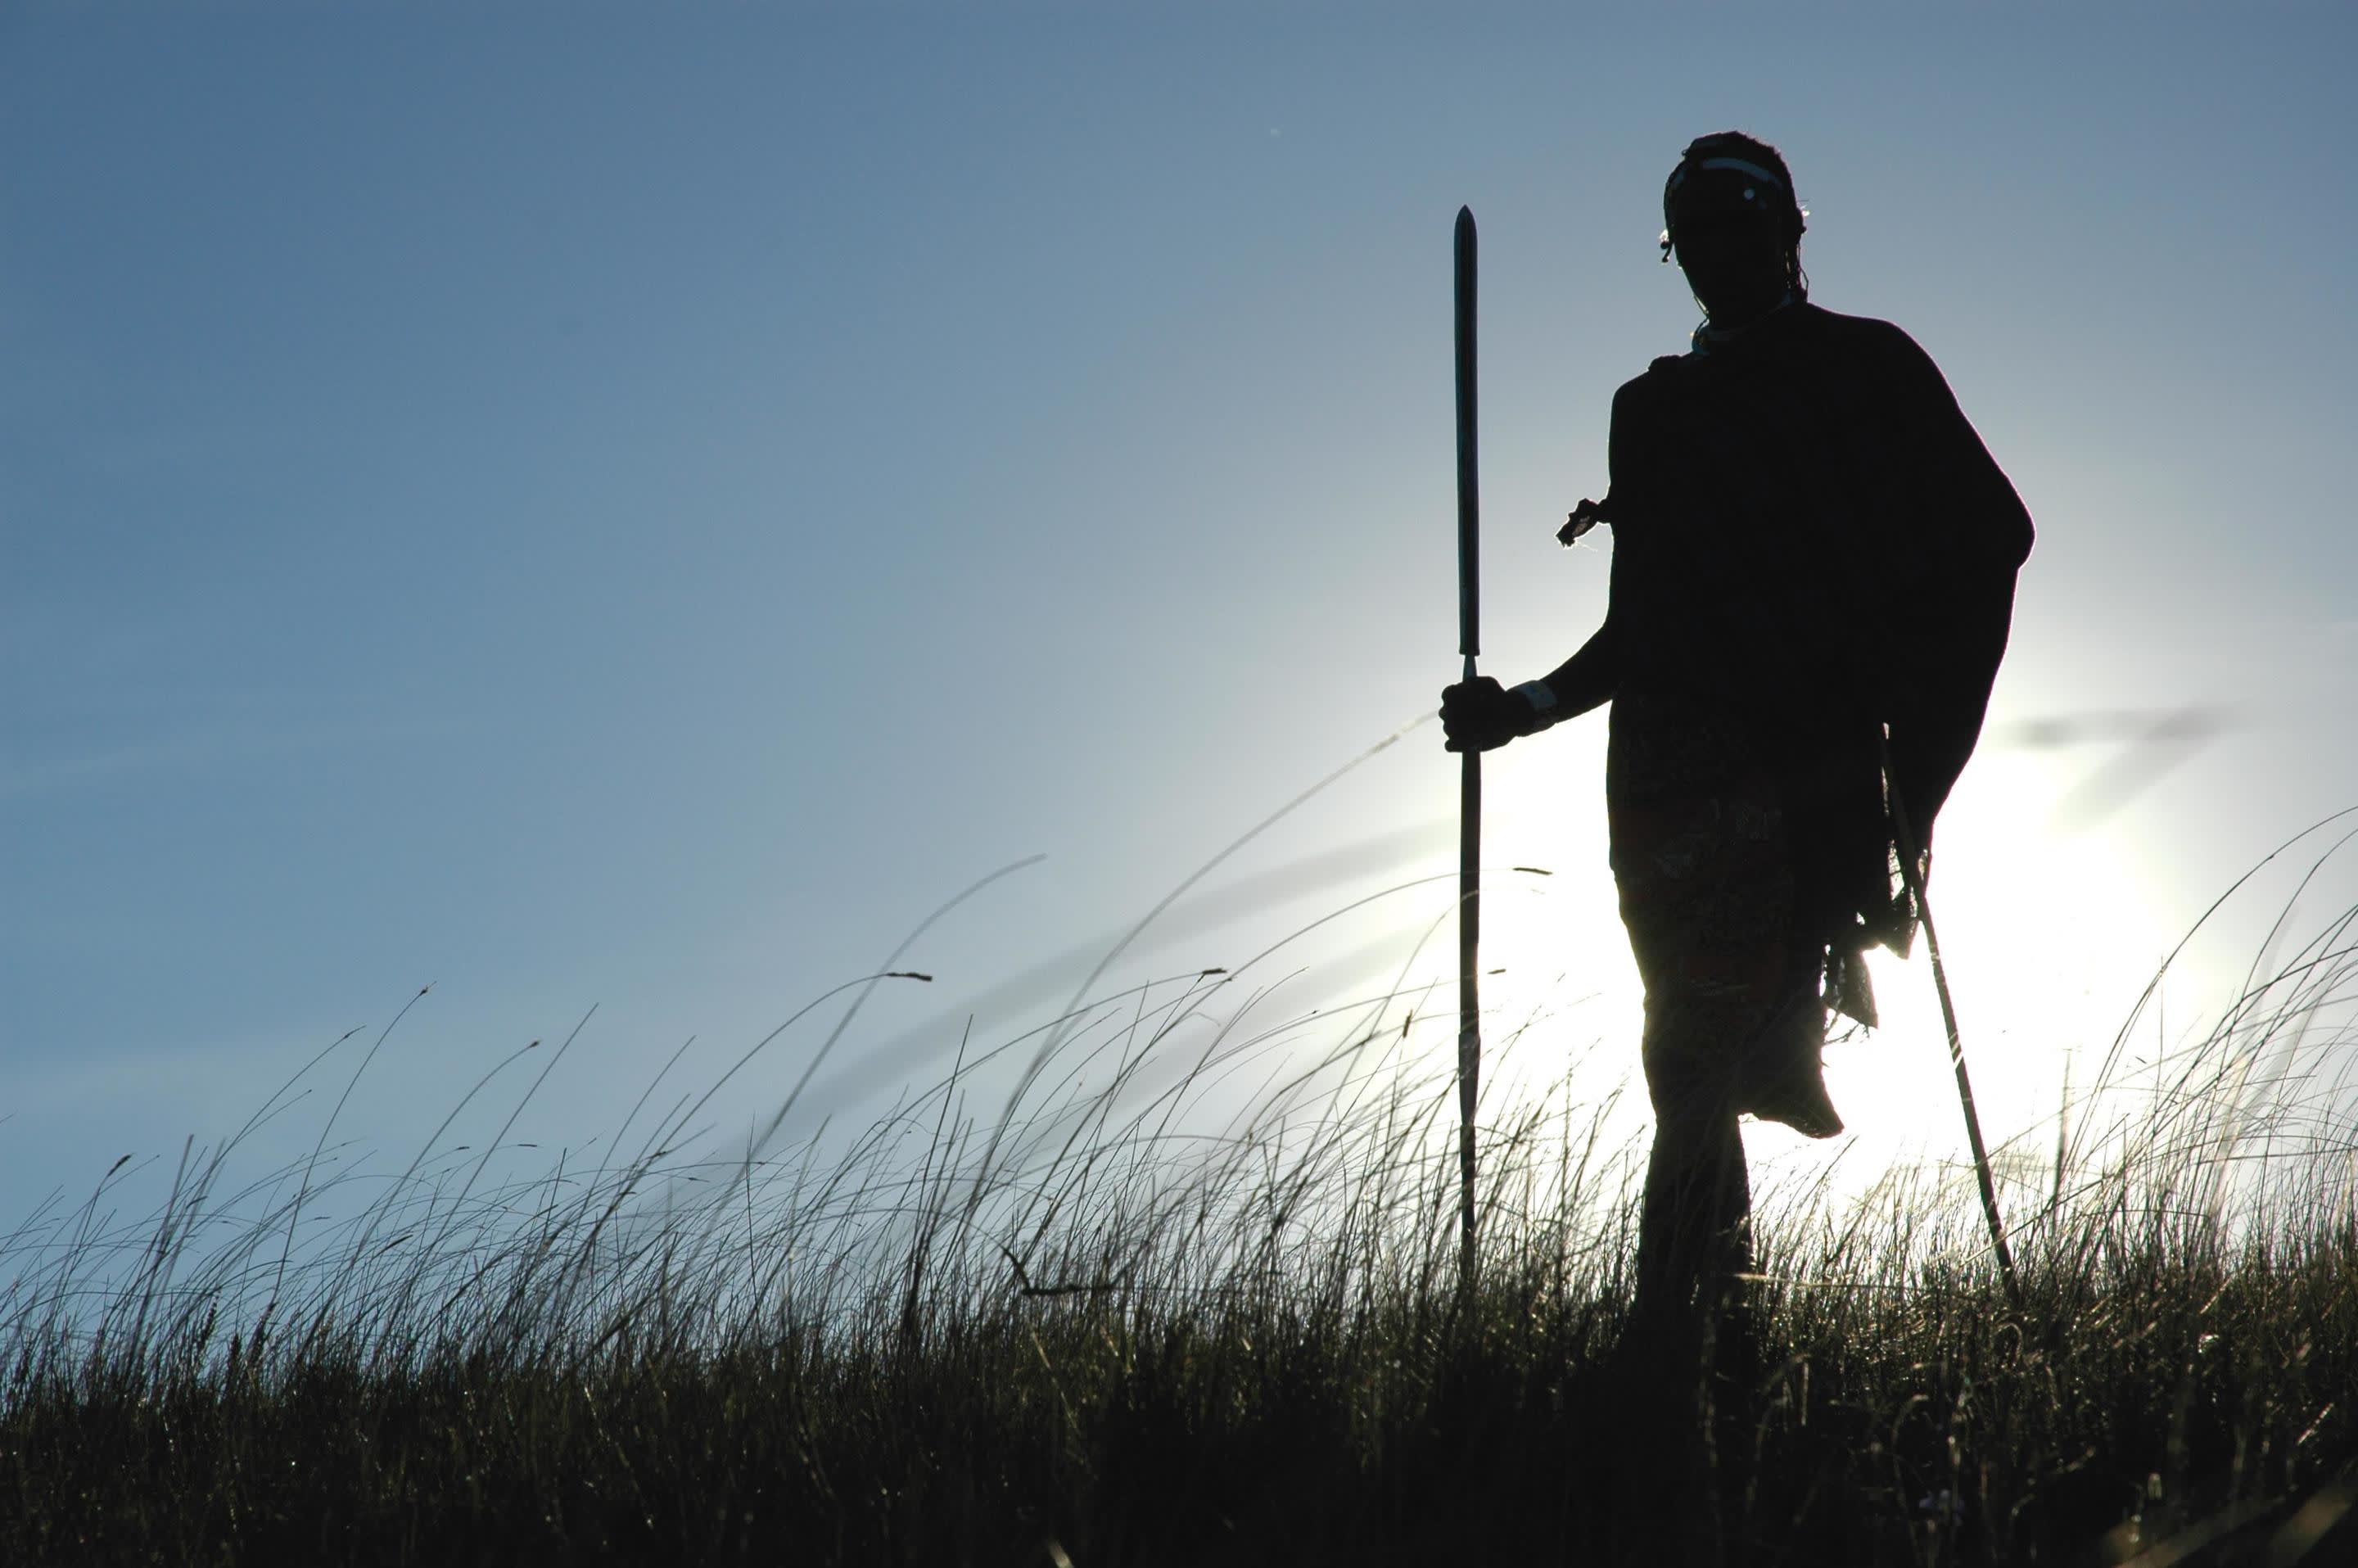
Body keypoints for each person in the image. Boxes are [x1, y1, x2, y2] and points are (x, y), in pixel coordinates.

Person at [1440, 133, 2034, 1349]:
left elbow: (1990, 535)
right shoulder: (1651, 411)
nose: (1719, 249)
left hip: (1797, 752)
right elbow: (1642, 624)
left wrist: (1897, 729)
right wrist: (1528, 710)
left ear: (1791, 230)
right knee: (1684, 1050)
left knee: (1701, 1048)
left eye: (1741, 221)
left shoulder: (1867, 367)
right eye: (1695, 232)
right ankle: (1713, 1334)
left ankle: (1683, 1334)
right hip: (1662, 763)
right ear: (1678, 252)